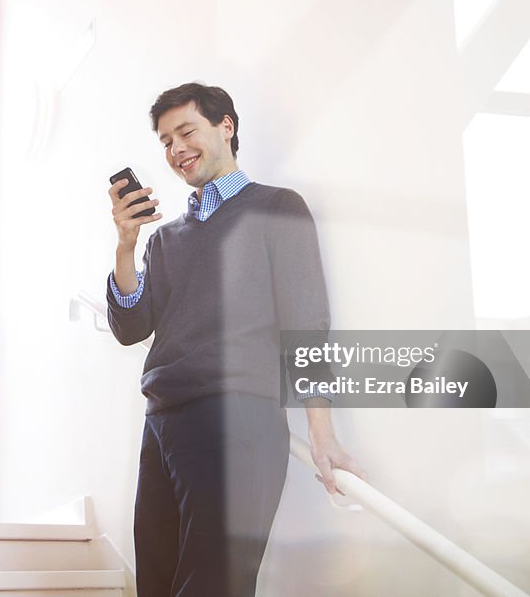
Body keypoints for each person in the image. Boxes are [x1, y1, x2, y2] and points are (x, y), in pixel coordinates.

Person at [106, 83, 362, 596]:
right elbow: (131, 327)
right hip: (162, 422)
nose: (175, 149)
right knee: (155, 584)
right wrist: (126, 246)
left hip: (237, 418)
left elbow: (306, 324)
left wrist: (322, 433)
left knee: (213, 585)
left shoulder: (277, 207)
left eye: (186, 131)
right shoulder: (164, 239)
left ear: (226, 127)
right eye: (165, 141)